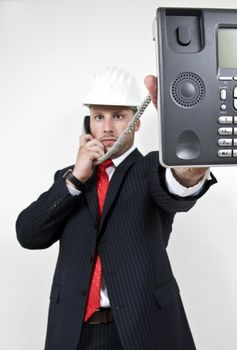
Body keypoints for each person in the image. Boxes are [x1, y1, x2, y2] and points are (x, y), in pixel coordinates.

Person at [15, 66, 216, 350]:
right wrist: (75, 179)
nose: (107, 128)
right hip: (75, 332)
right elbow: (28, 234)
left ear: (136, 123)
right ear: (88, 125)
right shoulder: (67, 178)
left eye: (118, 116)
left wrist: (192, 163)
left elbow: (178, 186)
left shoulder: (152, 168)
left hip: (142, 330)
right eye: (99, 117)